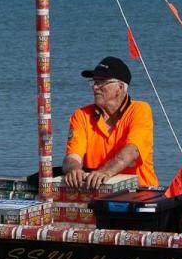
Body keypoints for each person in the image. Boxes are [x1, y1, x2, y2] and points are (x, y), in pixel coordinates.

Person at [62, 56, 158, 190]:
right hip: (97, 194)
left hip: (140, 192)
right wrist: (74, 170)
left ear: (119, 87)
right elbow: (73, 156)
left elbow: (132, 152)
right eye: (94, 82)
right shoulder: (81, 115)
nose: (95, 87)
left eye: (101, 82)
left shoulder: (140, 110)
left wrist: (105, 172)